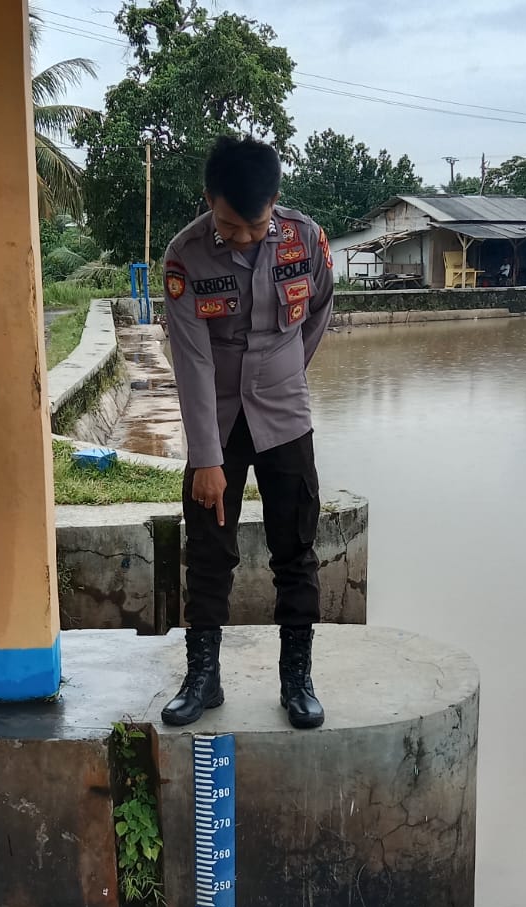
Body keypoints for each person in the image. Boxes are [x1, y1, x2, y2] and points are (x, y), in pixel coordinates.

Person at [158, 136, 335, 730]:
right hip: (219, 417)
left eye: (254, 227)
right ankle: (203, 678)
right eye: (230, 226)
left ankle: (297, 679)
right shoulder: (184, 258)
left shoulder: (306, 240)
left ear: (275, 202)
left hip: (285, 415)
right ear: (210, 200)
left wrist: (280, 375)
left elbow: (316, 316)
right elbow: (192, 361)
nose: (243, 238)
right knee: (209, 551)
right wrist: (206, 458)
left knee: (296, 545)